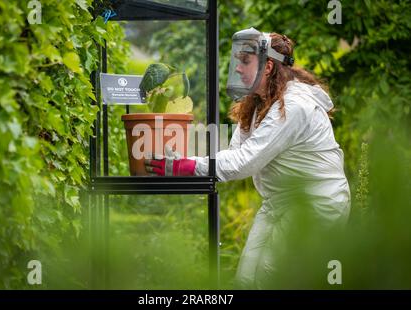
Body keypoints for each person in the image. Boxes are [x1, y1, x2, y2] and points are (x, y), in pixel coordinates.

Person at [145, 28, 351, 289]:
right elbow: (234, 154)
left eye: (245, 61)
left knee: (271, 277)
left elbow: (244, 163)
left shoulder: (294, 106)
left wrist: (185, 167)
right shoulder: (257, 103)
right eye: (237, 61)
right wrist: (186, 160)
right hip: (278, 201)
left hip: (316, 203)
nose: (238, 69)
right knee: (246, 277)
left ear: (267, 67)